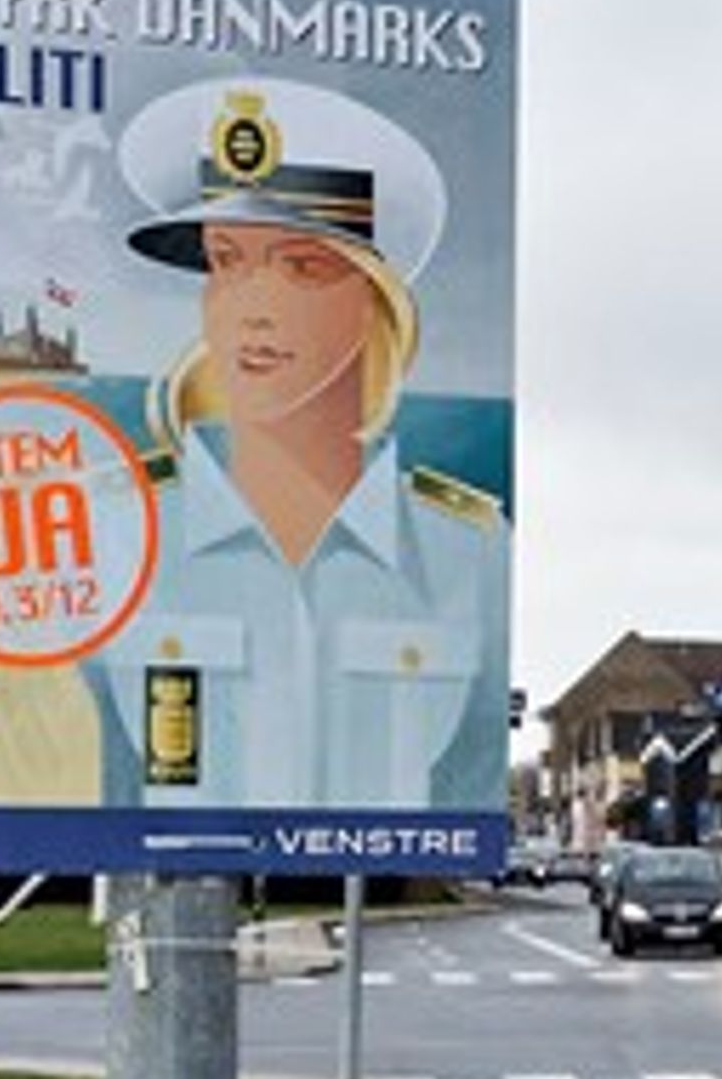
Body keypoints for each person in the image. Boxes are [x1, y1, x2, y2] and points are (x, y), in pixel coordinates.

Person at [84, 80, 510, 811]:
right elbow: (95, 787)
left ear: (374, 299)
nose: (252, 306)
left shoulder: (467, 550)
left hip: (359, 913)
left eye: (303, 267)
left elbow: (468, 792)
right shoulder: (116, 531)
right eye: (226, 262)